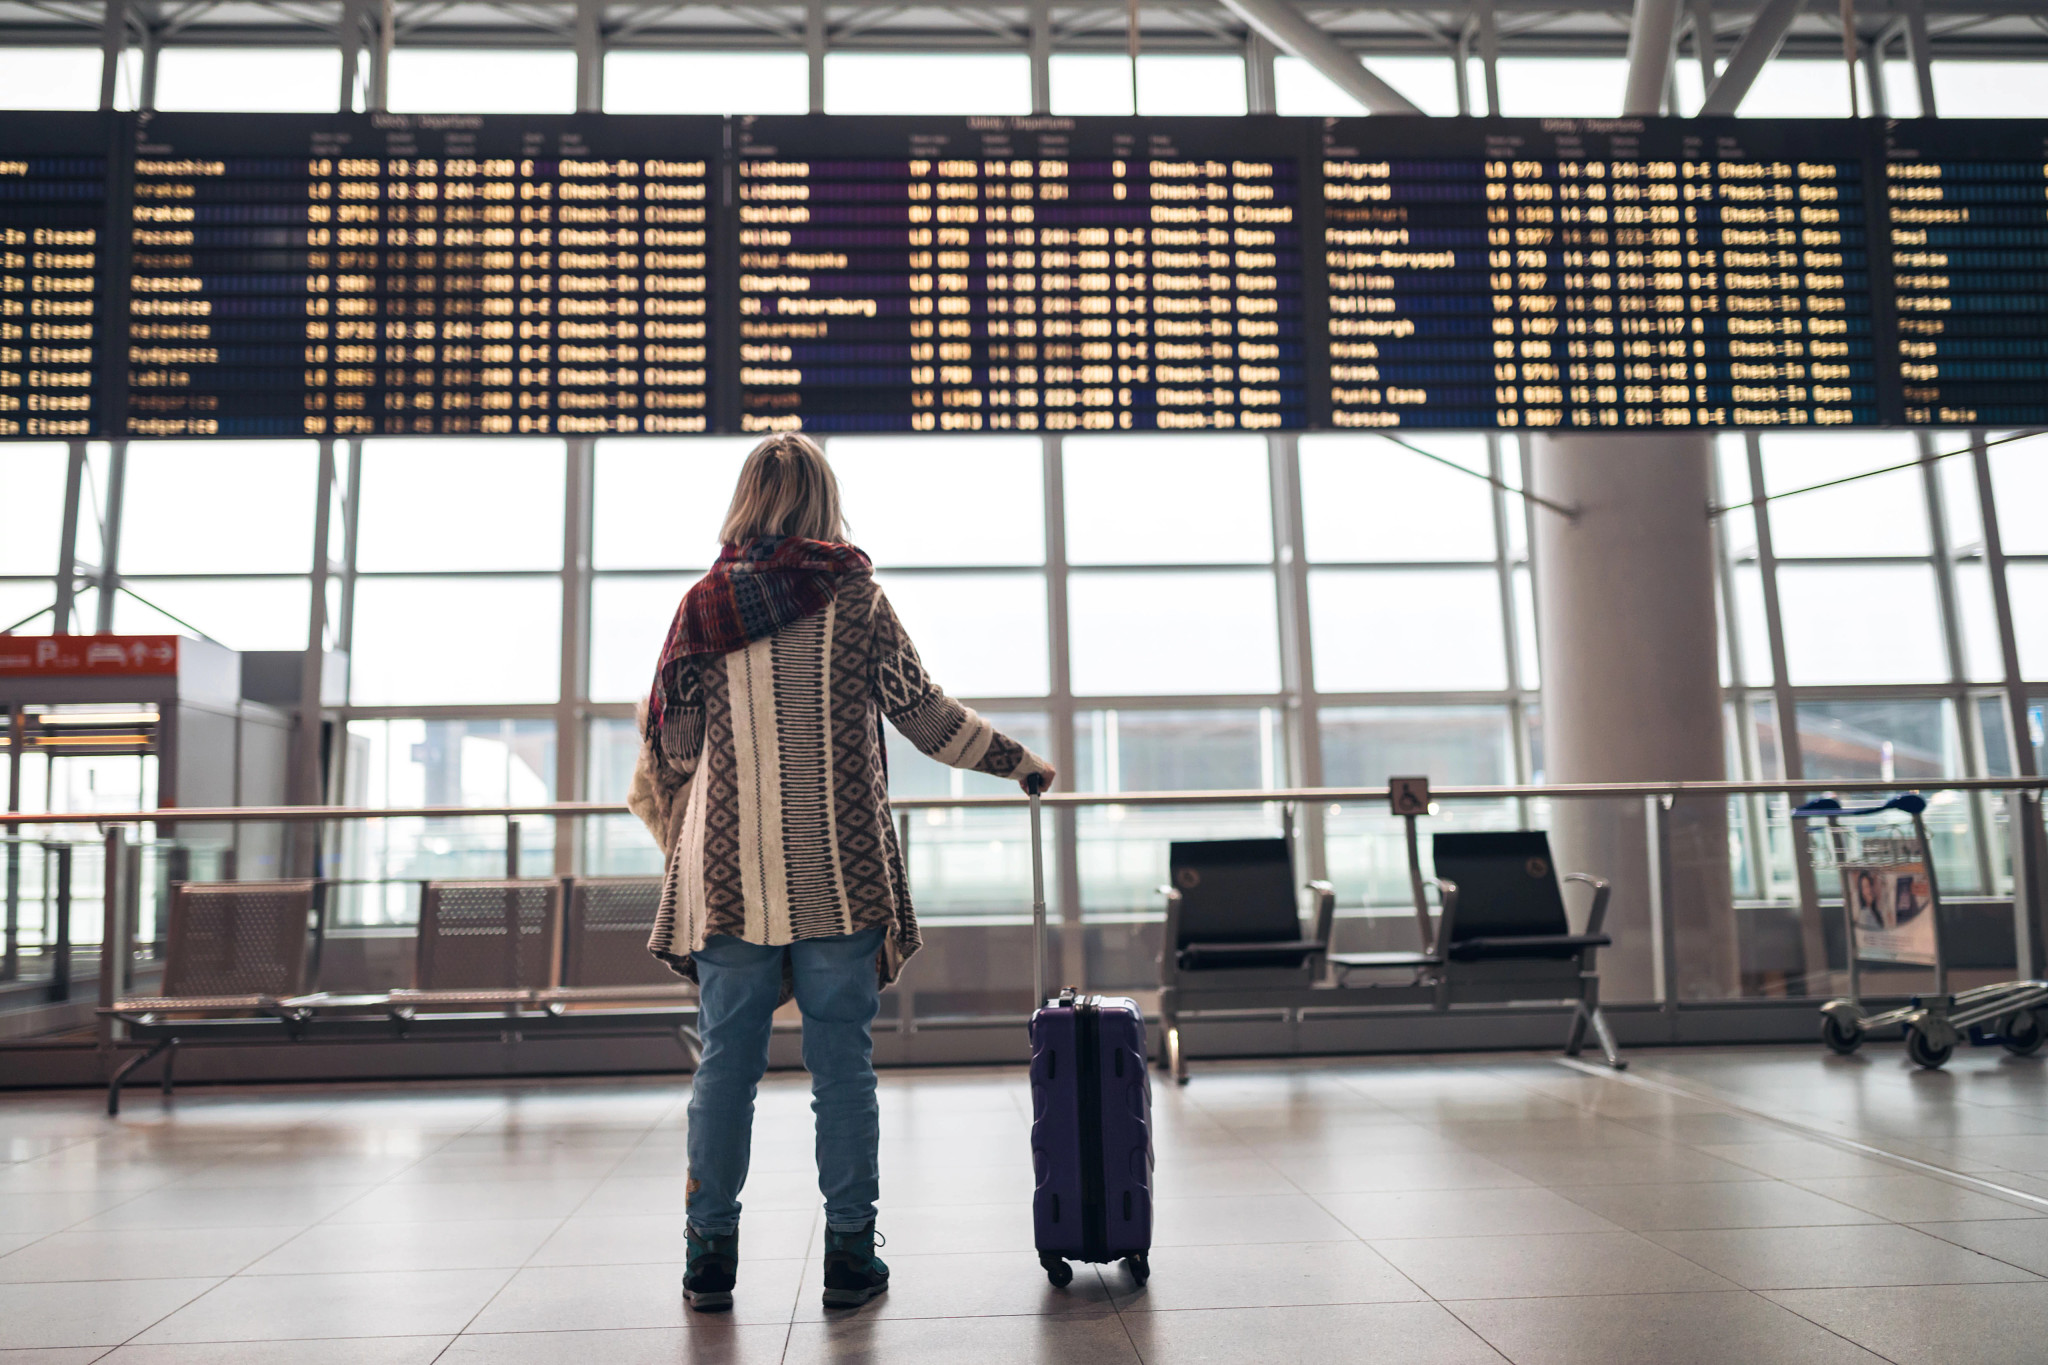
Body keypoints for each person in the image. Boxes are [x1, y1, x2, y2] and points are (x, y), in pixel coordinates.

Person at [628, 432, 1054, 1313]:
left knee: (724, 1068)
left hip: (728, 874)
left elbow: (672, 745)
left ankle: (709, 1256)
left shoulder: (702, 608)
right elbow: (924, 713)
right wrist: (1017, 761)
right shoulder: (854, 596)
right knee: (843, 1068)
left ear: (745, 499)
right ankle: (850, 1257)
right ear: (825, 500)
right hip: (840, 866)